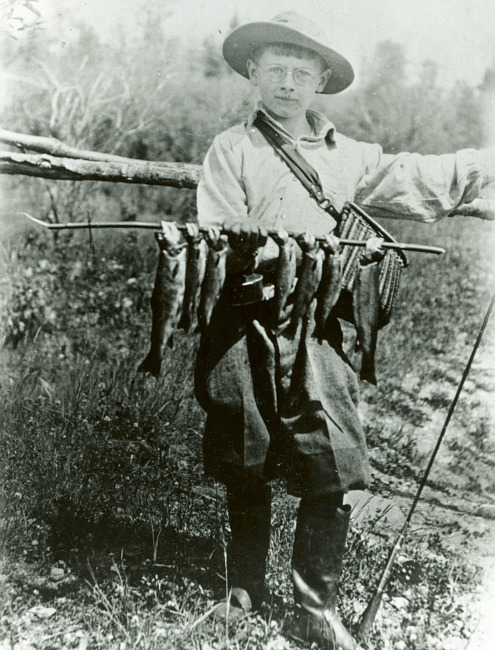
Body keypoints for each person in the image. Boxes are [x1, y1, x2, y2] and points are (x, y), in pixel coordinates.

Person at [194, 11, 494, 650]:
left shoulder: (348, 156)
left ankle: (313, 607)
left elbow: (420, 178)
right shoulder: (230, 149)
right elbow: (217, 231)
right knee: (245, 451)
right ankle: (242, 591)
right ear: (253, 73)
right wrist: (242, 241)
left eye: (302, 74)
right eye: (275, 70)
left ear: (321, 82)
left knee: (335, 457)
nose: (287, 84)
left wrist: (482, 165)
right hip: (243, 320)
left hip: (318, 324)